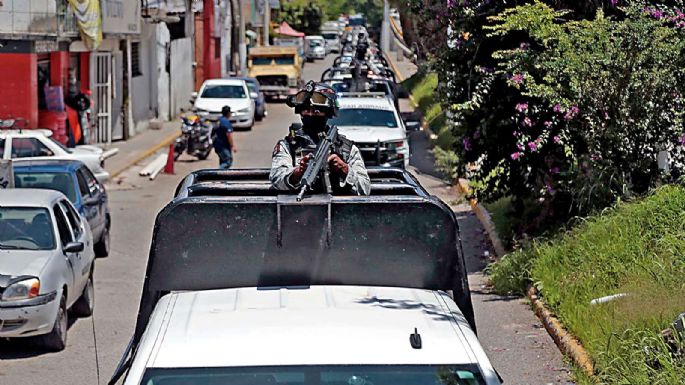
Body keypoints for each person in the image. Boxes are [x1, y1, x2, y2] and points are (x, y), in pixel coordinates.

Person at [270, 81, 370, 196]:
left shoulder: (346, 148)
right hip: (297, 209)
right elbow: (276, 179)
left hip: (339, 210)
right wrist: (299, 172)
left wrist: (344, 168)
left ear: (328, 113)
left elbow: (365, 188)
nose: (311, 114)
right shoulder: (288, 145)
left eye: (317, 111)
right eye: (306, 110)